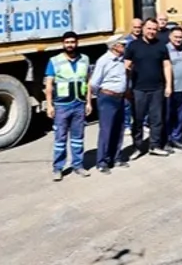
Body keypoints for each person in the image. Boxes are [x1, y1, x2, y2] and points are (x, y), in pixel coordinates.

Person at [46, 31, 93, 181]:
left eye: (72, 42)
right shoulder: (54, 60)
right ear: (63, 44)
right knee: (60, 139)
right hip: (62, 105)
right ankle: (58, 168)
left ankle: (78, 165)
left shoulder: (85, 59)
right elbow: (48, 85)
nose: (70, 45)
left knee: (78, 138)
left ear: (77, 43)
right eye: (67, 42)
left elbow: (88, 82)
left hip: (79, 104)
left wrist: (89, 102)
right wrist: (49, 105)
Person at [125, 18, 172, 158]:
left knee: (156, 119)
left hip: (157, 88)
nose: (151, 32)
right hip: (138, 89)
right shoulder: (133, 46)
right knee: (138, 120)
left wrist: (168, 85)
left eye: (154, 29)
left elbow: (167, 66)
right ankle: (137, 147)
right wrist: (127, 88)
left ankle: (155, 145)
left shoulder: (161, 46)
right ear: (143, 28)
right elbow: (126, 66)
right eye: (149, 28)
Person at [90, 35, 129, 174]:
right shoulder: (104, 60)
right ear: (114, 46)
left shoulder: (121, 60)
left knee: (119, 129)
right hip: (107, 97)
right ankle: (102, 161)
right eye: (122, 44)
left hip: (120, 97)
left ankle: (115, 157)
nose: (124, 46)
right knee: (106, 129)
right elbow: (94, 82)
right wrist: (103, 93)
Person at [165, 27, 182, 151]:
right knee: (168, 116)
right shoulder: (165, 50)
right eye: (176, 37)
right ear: (170, 37)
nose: (178, 39)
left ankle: (176, 138)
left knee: (181, 116)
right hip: (170, 89)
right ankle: (167, 140)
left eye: (180, 37)